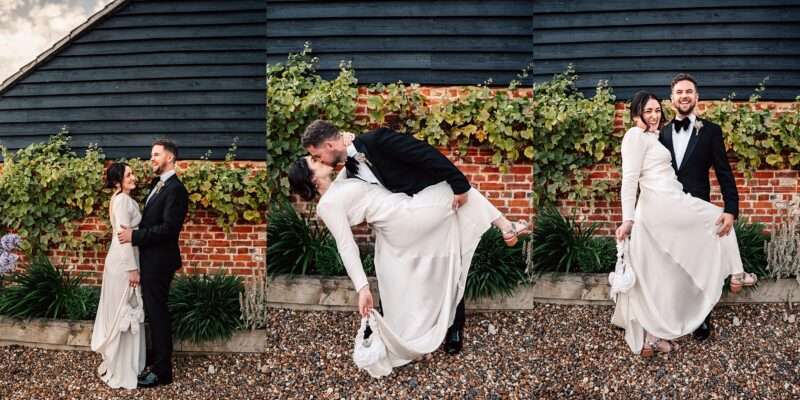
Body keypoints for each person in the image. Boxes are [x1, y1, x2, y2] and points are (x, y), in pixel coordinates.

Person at [288, 134, 527, 376]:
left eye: (317, 156)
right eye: (315, 162)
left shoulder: (342, 179)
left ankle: (420, 338)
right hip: (404, 218)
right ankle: (507, 226)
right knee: (452, 189)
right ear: (312, 178)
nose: (320, 160)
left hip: (400, 220)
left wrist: (349, 141)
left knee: (425, 269)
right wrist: (362, 288)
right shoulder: (327, 205)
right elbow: (346, 245)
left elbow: (347, 157)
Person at [611, 91, 757, 357]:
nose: (654, 115)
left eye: (657, 110)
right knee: (718, 217)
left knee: (658, 274)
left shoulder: (652, 136)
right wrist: (627, 219)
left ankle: (652, 339)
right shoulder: (634, 136)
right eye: (648, 111)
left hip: (667, 204)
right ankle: (736, 272)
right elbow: (629, 180)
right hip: (663, 204)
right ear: (636, 114)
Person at [659, 73, 754, 341]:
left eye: (689, 91)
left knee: (700, 265)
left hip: (699, 208)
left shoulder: (710, 131)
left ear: (697, 97)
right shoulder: (662, 134)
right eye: (679, 92)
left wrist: (731, 209)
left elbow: (724, 173)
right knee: (673, 264)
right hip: (667, 210)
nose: (684, 96)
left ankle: (701, 318)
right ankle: (675, 316)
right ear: (672, 99)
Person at [118, 139, 189, 387]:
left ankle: (162, 371)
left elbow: (169, 229)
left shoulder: (176, 190)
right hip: (149, 259)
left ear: (170, 158)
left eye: (156, 155)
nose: (152, 159)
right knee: (154, 312)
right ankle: (156, 359)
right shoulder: (156, 185)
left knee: (158, 314)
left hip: (160, 261)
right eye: (151, 155)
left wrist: (134, 236)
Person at [91, 162, 146, 389]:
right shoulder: (122, 200)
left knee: (123, 310)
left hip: (122, 259)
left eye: (132, 173)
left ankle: (125, 363)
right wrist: (132, 269)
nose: (133, 177)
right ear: (117, 181)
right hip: (124, 263)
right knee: (126, 311)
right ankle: (124, 368)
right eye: (128, 175)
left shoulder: (118, 197)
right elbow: (124, 237)